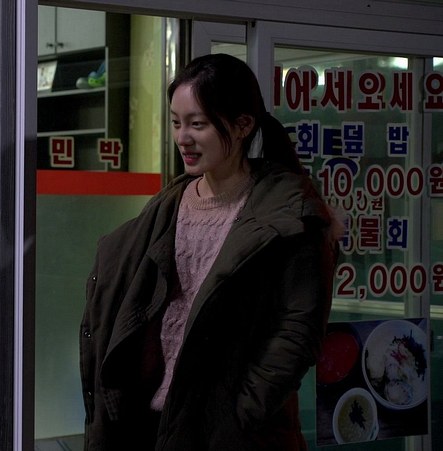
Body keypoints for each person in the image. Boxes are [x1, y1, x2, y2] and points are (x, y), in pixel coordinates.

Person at [79, 53, 341, 450]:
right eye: (176, 122)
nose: (183, 137)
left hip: (231, 434)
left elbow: (297, 333)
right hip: (151, 423)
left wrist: (238, 416)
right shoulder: (168, 205)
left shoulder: (288, 216)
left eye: (197, 124)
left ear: (243, 125)